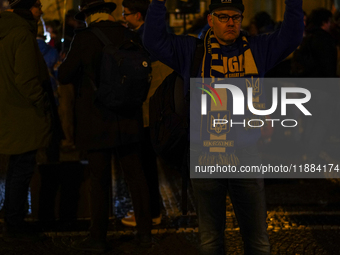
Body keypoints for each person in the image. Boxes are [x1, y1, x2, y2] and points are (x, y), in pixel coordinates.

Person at [143, 0, 304, 254]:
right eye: (224, 17)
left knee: (258, 240)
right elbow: (153, 40)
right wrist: (158, 4)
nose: (231, 22)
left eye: (236, 17)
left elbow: (291, 37)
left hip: (246, 152)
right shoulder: (192, 51)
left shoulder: (256, 48)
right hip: (206, 152)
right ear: (210, 20)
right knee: (210, 240)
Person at [58, 0, 152, 252]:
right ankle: (144, 234)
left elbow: (64, 75)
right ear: (109, 13)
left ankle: (98, 237)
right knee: (136, 176)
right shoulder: (129, 35)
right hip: (128, 116)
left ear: (89, 16)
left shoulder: (84, 38)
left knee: (99, 180)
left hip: (96, 119)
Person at [0, 0, 54, 241]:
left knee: (14, 168)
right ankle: (14, 221)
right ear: (27, 8)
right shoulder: (21, 34)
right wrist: (41, 101)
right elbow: (26, 80)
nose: (41, 11)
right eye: (37, 6)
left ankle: (11, 215)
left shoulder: (6, 31)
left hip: (7, 110)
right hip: (23, 113)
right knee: (22, 169)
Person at [120, 0, 172, 228]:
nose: (123, 17)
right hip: (160, 110)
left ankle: (150, 212)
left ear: (138, 15)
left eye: (126, 14)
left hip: (149, 111)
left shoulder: (142, 40)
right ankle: (153, 210)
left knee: (146, 164)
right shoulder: (157, 36)